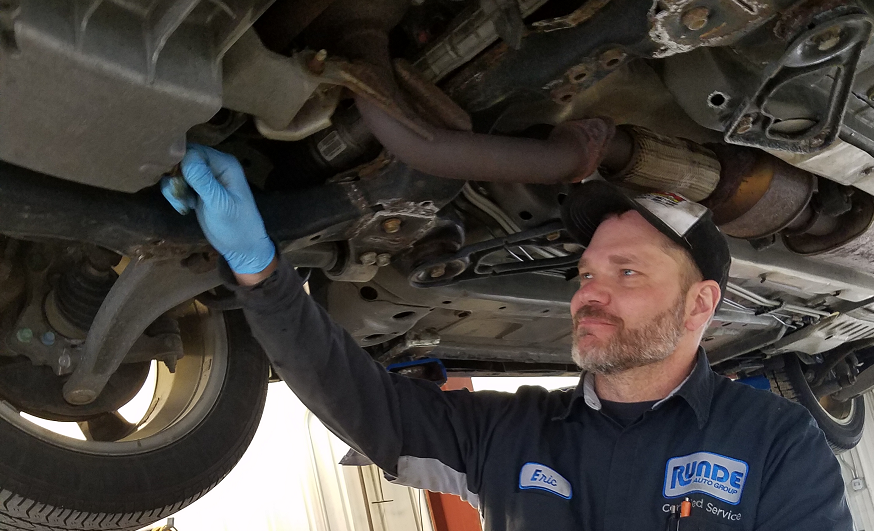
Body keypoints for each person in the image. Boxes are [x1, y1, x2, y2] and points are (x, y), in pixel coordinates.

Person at [163, 144, 853, 530]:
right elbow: (362, 402)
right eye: (587, 273)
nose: (589, 292)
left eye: (627, 271)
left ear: (700, 303)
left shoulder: (776, 444)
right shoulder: (512, 432)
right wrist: (260, 271)